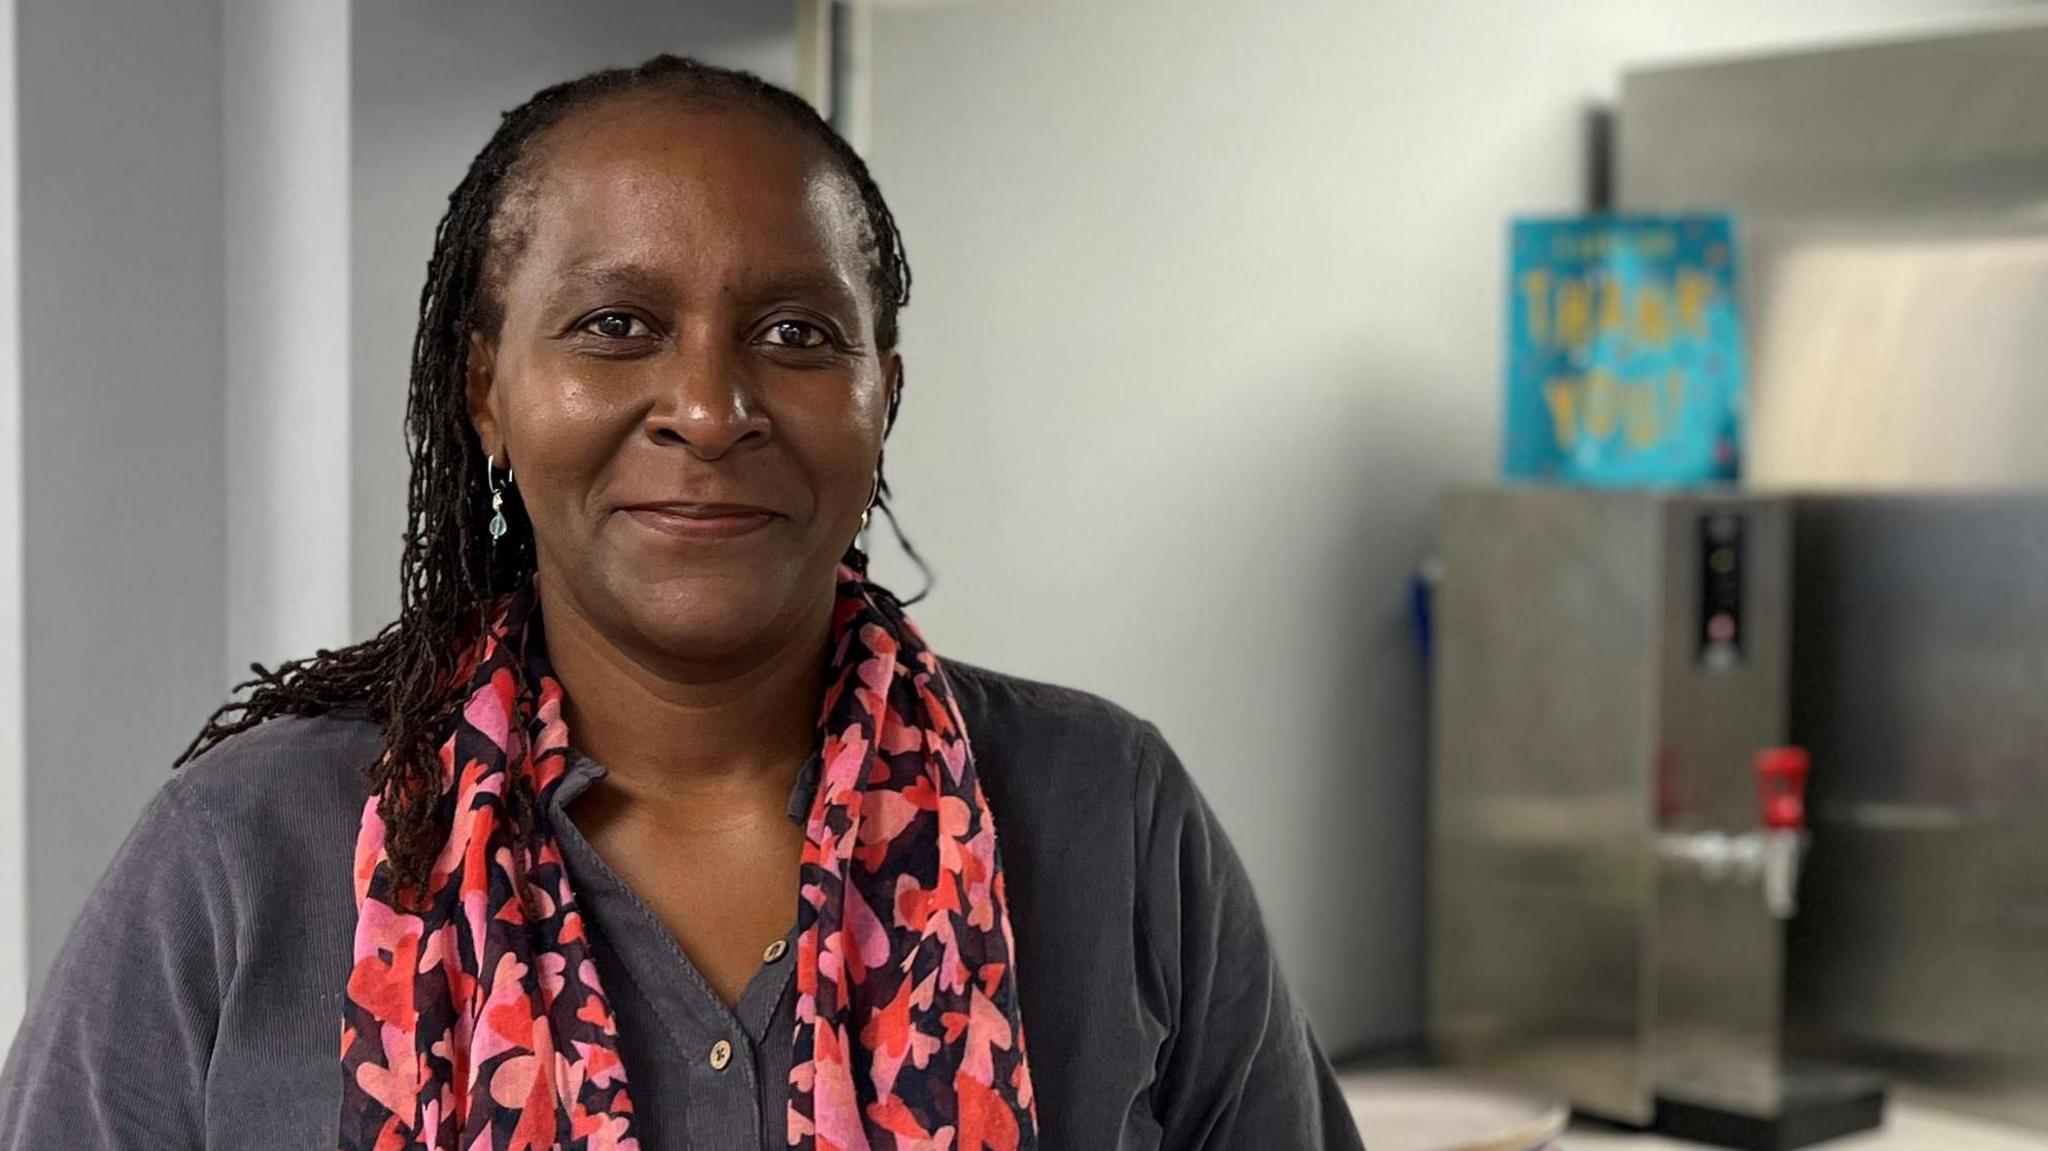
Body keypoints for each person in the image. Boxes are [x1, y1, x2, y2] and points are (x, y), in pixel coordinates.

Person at [0, 56, 1365, 1151]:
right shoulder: (243, 858)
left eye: (795, 336)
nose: (711, 410)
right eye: (614, 327)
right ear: (487, 390)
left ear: (885, 395)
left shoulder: (1104, 816)